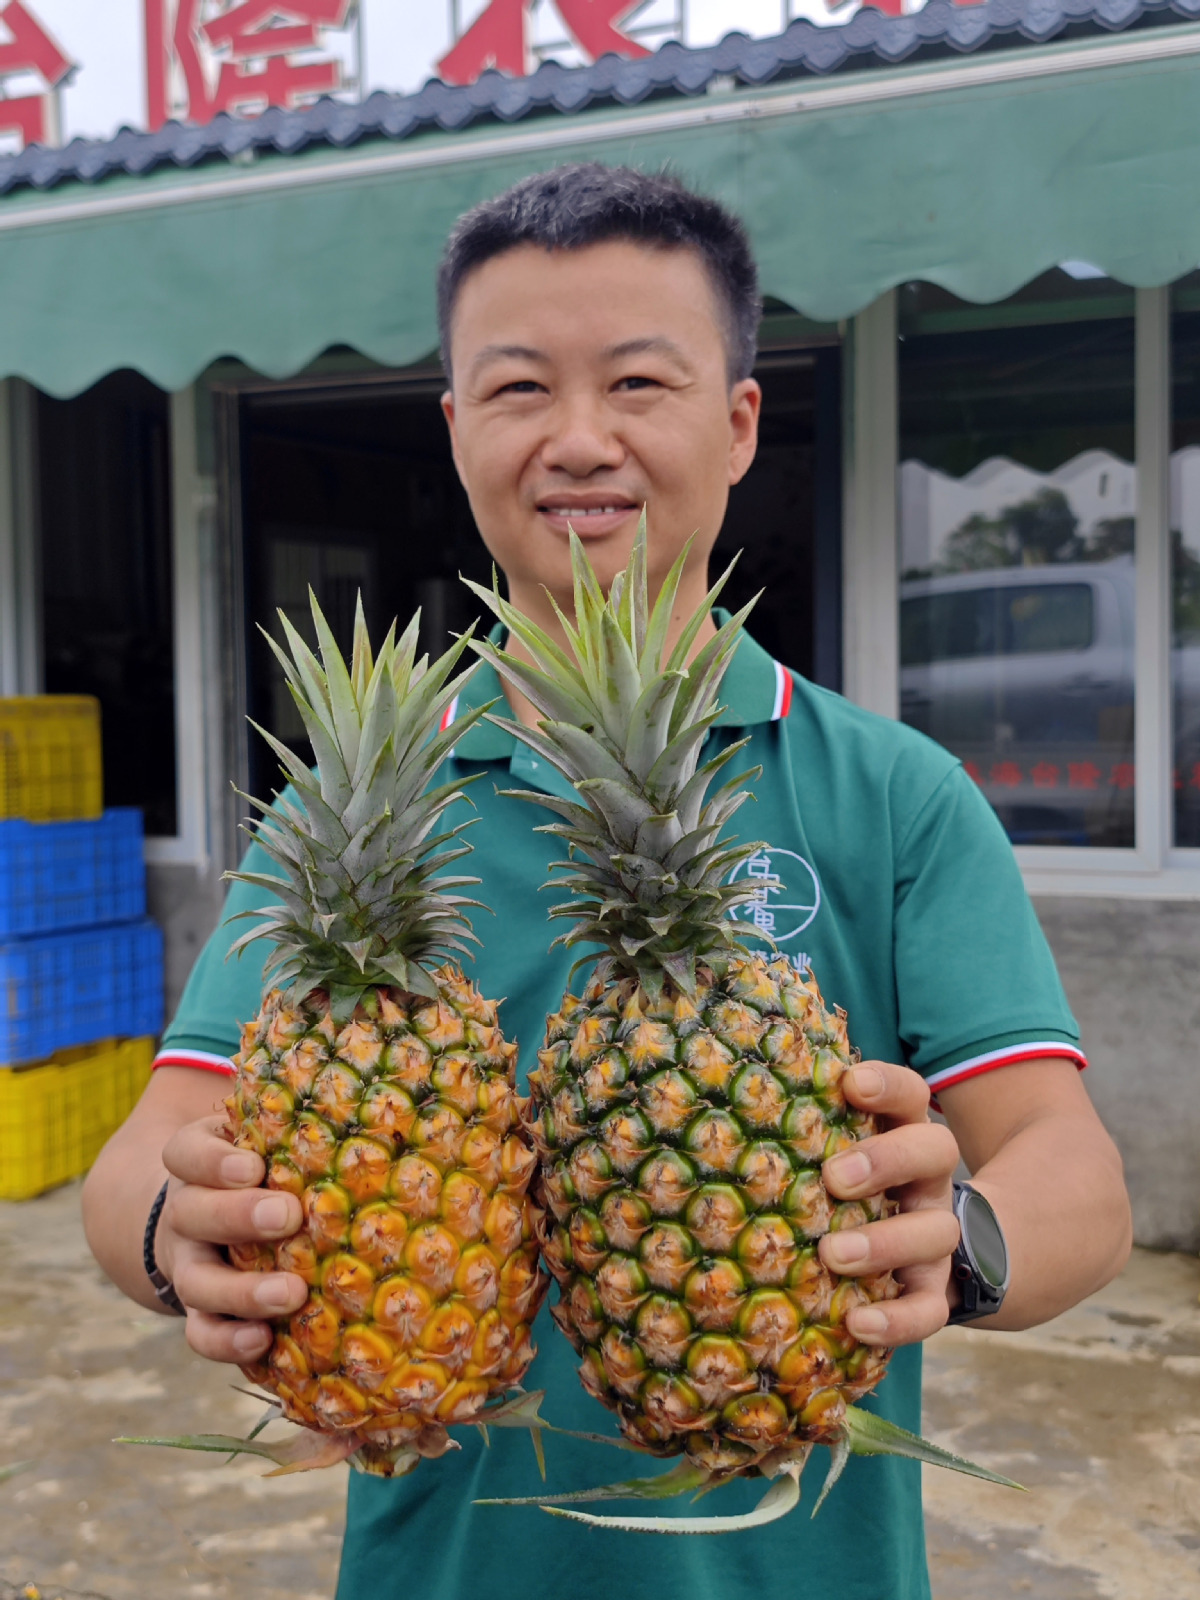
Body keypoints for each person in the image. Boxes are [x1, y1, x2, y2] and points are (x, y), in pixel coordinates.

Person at [83, 163, 1131, 1599]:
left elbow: (1078, 1176)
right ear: (456, 433)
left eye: (640, 381)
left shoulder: (890, 794)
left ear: (739, 421)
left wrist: (964, 1239)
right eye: (519, 390)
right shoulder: (353, 809)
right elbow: (138, 1161)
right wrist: (175, 1234)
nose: (581, 441)